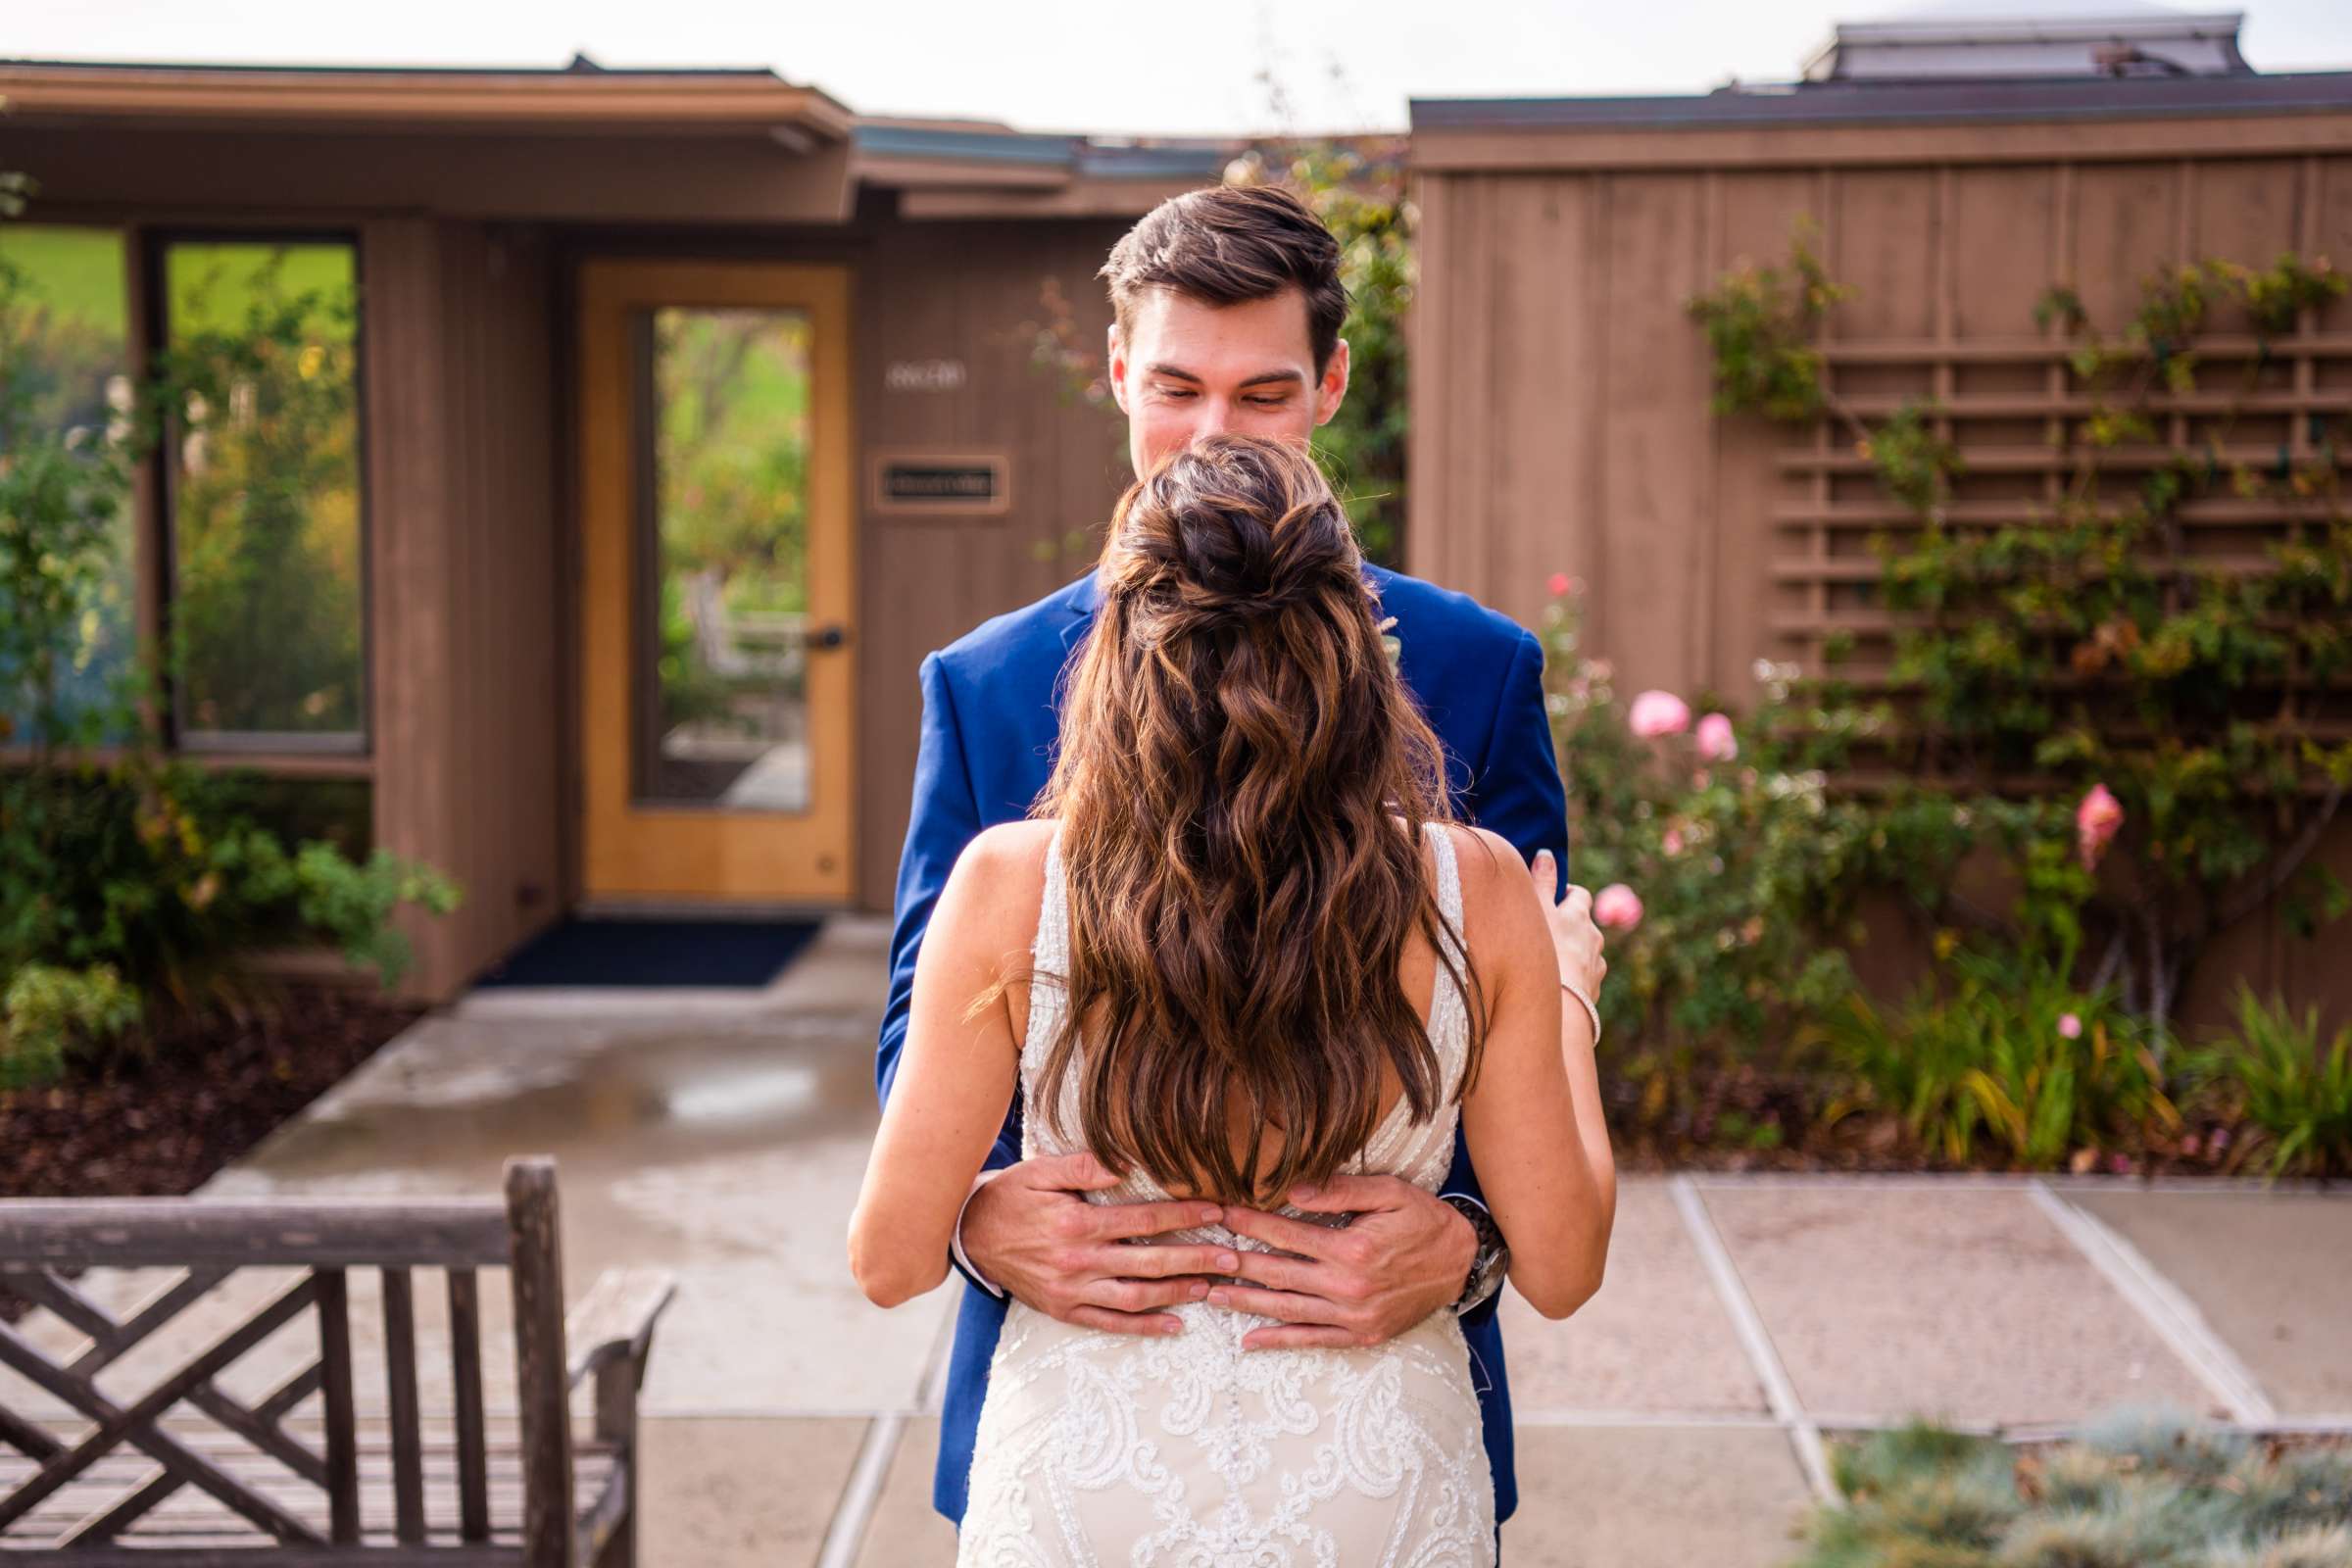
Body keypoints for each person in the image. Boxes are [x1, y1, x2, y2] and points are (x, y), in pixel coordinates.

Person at [866, 182, 1614, 1549]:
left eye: (1262, 395)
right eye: (1176, 388)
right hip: (1085, 1405)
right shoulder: (985, 684)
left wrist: (1469, 1241)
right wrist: (977, 1218)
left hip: (1365, 1420)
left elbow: (1497, 1046)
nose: (1214, 435)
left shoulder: (1476, 669)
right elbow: (921, 1032)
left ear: (1329, 385)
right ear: (1115, 374)